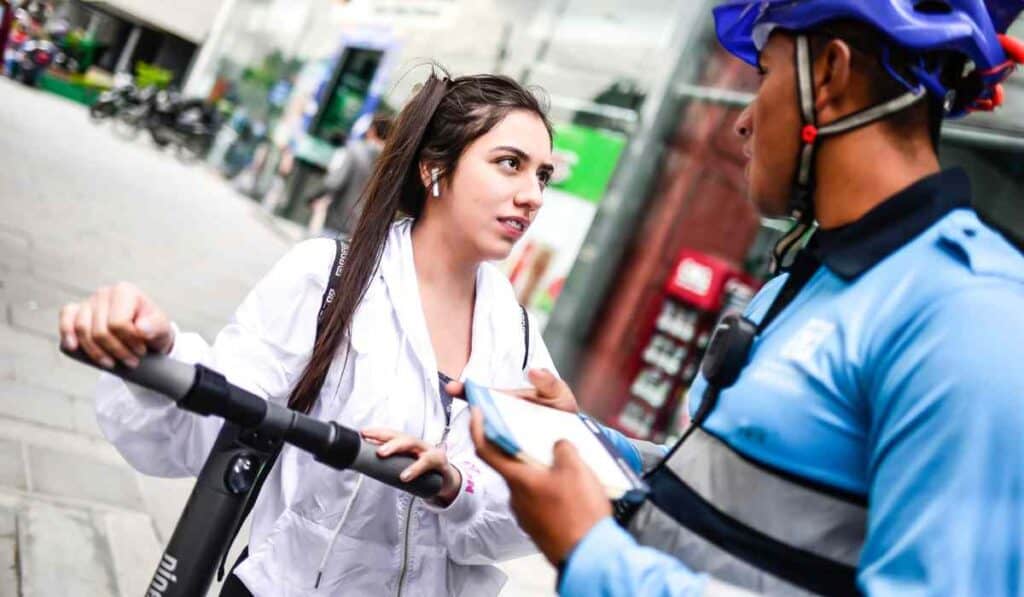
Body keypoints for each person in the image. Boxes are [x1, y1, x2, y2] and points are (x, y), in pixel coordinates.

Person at [459, 1, 1024, 595]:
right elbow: (732, 502)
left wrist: (593, 557)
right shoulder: (809, 278)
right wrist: (590, 442)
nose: (743, 121)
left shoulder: (970, 315)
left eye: (765, 76)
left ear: (829, 74)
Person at [58, 71, 557, 596]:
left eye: (543, 176)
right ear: (435, 169)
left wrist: (457, 486)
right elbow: (215, 426)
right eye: (510, 164)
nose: (533, 196)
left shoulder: (518, 332)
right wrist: (159, 354)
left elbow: (526, 516)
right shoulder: (329, 278)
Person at [306, 112, 393, 238]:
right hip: (365, 233)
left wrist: (312, 196)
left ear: (372, 130)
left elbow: (334, 182)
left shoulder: (356, 151)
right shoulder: (390, 163)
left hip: (340, 222)